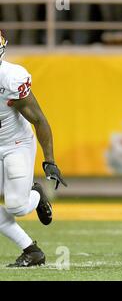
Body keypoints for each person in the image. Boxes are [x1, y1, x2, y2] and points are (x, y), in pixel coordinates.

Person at [0, 31, 67, 267]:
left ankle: (37, 196)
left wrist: (49, 160)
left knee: (16, 206)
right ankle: (31, 251)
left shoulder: (10, 78)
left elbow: (38, 119)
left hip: (15, 143)